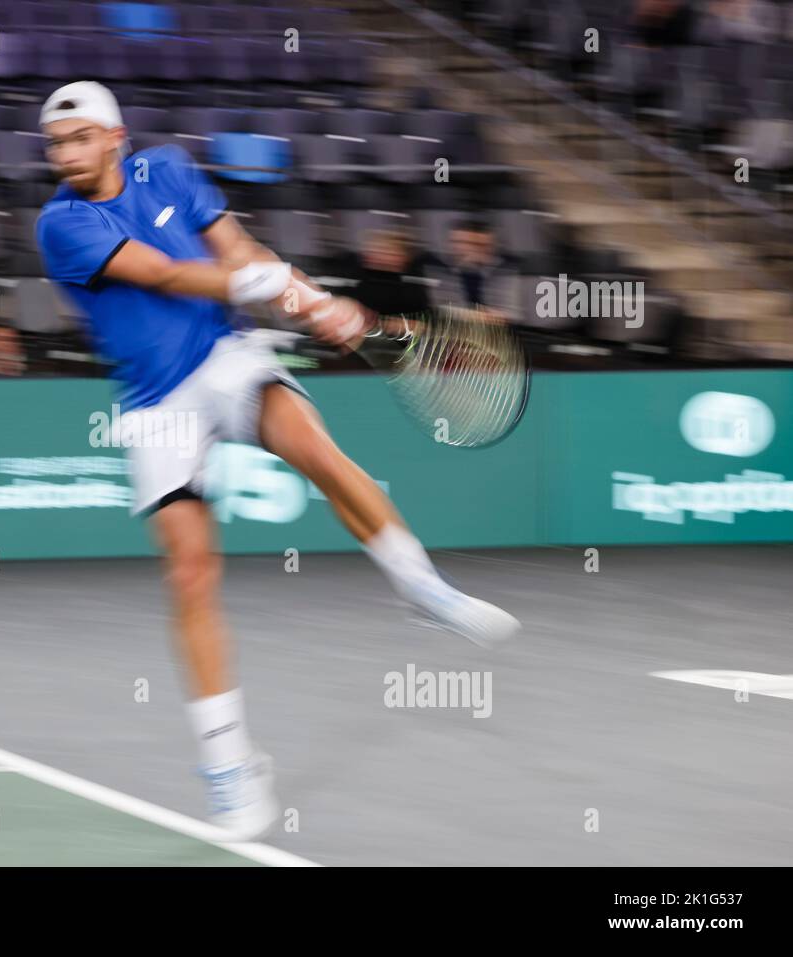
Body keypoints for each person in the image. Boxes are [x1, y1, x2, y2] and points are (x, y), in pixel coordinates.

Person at [35, 82, 520, 842]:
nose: (65, 155)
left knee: (314, 446)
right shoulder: (60, 222)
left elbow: (239, 252)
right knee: (191, 572)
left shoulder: (168, 168)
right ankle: (228, 765)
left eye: (78, 138)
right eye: (55, 145)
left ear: (115, 136)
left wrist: (310, 297)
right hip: (156, 402)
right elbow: (164, 274)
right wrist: (251, 282)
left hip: (225, 353)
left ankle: (422, 587)